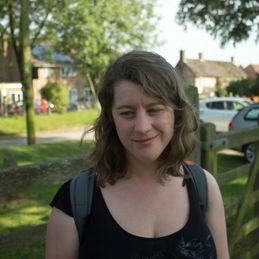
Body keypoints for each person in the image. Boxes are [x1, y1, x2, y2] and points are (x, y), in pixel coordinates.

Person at [45, 51, 229, 258]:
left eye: (154, 109)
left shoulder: (204, 187)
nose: (142, 127)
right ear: (110, 119)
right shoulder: (75, 200)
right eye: (126, 113)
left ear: (176, 114)